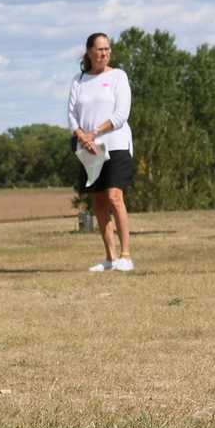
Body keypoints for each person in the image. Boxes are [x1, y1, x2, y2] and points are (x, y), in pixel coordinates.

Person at [67, 32, 134, 272]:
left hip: (115, 145)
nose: (104, 53)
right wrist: (82, 136)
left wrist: (94, 132)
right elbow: (72, 114)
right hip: (88, 150)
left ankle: (126, 255)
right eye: (99, 49)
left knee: (115, 197)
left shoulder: (118, 77)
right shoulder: (79, 79)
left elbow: (120, 115)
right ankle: (110, 257)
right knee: (98, 202)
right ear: (89, 52)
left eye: (107, 49)